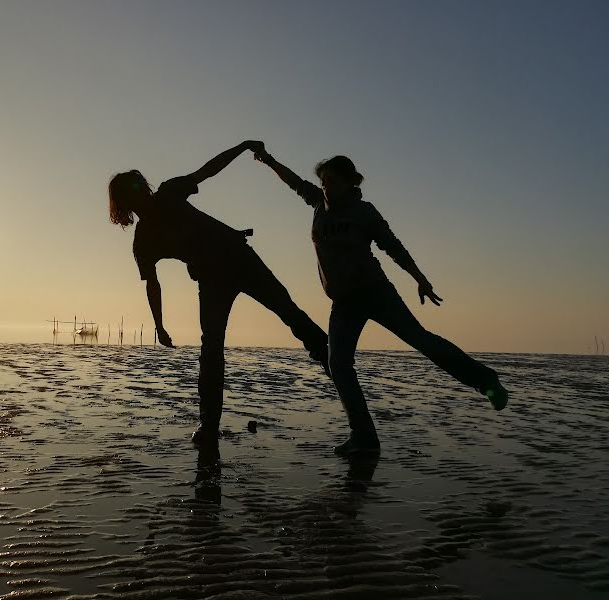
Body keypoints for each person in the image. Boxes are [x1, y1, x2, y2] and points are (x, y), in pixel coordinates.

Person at [253, 149, 508, 455]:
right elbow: (293, 182)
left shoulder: (364, 212)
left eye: (332, 181)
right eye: (322, 181)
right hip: (343, 302)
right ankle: (364, 437)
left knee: (421, 340)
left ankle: (486, 381)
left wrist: (420, 277)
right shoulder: (319, 204)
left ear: (350, 183)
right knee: (339, 364)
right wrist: (267, 160)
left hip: (375, 293)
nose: (325, 186)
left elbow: (392, 246)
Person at [108, 141, 330, 444]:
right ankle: (209, 425)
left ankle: (334, 363)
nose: (141, 191)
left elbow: (208, 170)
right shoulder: (144, 240)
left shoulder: (170, 192)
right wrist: (159, 325)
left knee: (289, 312)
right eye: (133, 190)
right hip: (211, 280)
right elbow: (153, 284)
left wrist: (243, 147)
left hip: (241, 259)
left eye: (140, 184)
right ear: (126, 202)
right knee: (211, 349)